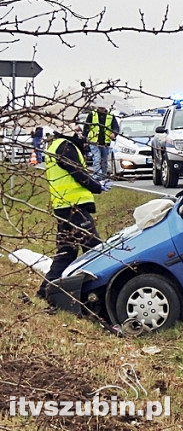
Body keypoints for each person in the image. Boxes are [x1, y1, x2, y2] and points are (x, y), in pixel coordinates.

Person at [37, 130, 110, 300]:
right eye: (76, 130)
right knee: (94, 249)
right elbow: (78, 174)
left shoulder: (55, 146)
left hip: (63, 207)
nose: (80, 134)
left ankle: (44, 292)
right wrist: (97, 186)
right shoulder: (65, 147)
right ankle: (102, 291)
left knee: (66, 252)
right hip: (74, 208)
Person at [84, 105, 119, 176]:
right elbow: (86, 127)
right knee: (97, 159)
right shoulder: (92, 114)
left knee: (104, 162)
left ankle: (103, 176)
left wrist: (114, 134)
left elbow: (116, 127)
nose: (101, 109)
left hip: (105, 143)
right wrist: (84, 140)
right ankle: (96, 177)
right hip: (94, 142)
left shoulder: (110, 116)